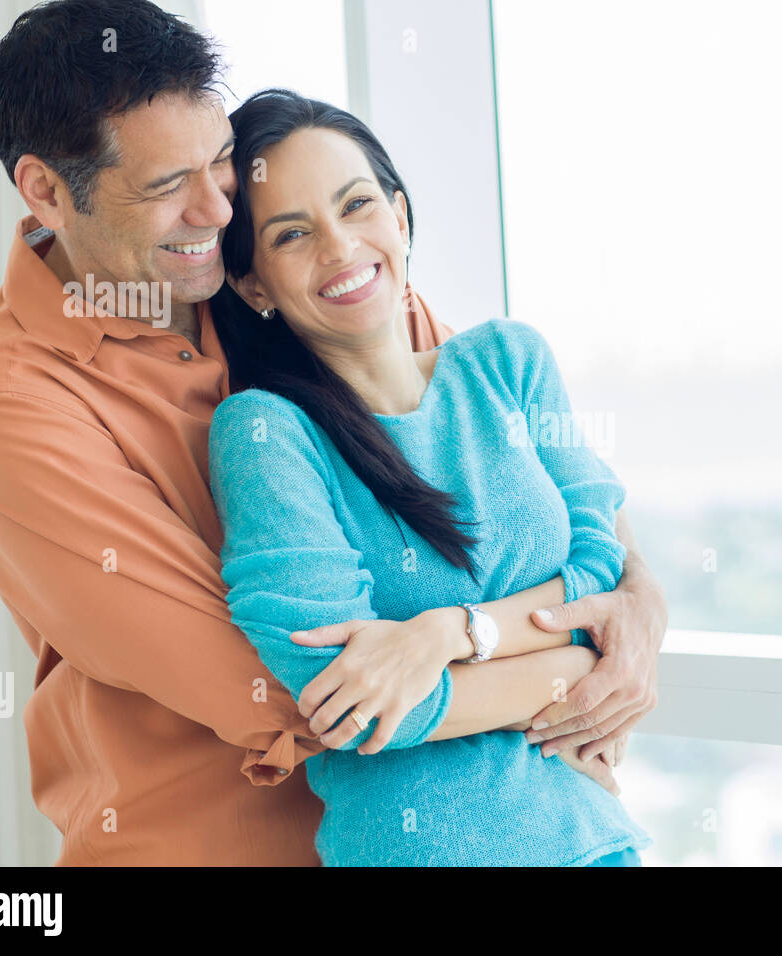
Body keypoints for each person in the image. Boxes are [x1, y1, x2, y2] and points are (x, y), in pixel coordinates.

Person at [0, 0, 665, 865]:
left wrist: (638, 608)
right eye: (169, 187)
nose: (215, 208)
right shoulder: (14, 413)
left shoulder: (325, 289)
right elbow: (305, 695)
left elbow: (533, 502)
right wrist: (577, 668)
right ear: (47, 191)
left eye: (219, 164)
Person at [208, 88, 653, 866]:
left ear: (401, 216)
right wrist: (572, 666)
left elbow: (600, 566)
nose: (341, 248)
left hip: (593, 840)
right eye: (291, 234)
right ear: (252, 285)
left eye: (356, 205)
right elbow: (349, 707)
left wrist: (452, 634)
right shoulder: (265, 434)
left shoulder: (510, 363)